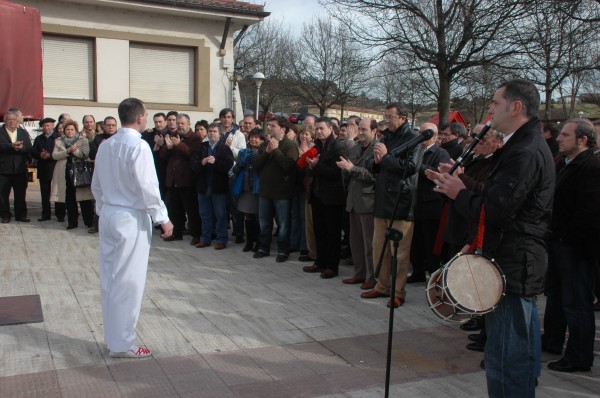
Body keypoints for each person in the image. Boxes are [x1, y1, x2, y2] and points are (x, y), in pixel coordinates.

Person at [433, 79, 554, 397]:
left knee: (506, 357)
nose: (489, 108)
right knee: (515, 351)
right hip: (513, 258)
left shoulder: (525, 151)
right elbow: (498, 196)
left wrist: (459, 193)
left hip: (514, 262)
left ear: (516, 107)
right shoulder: (519, 145)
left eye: (495, 103)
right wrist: (463, 185)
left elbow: (500, 209)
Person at [92, 97, 173, 358]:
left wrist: (103, 209)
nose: (147, 119)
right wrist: (163, 217)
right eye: (146, 115)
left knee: (110, 278)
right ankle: (123, 343)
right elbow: (148, 186)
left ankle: (115, 339)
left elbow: (97, 185)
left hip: (110, 214)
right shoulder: (138, 146)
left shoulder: (106, 146)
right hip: (130, 216)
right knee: (129, 280)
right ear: (139, 117)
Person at [542, 118, 600, 373]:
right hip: (559, 242)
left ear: (582, 140)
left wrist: (566, 238)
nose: (559, 139)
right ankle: (553, 341)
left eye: (565, 135)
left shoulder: (591, 167)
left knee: (577, 304)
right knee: (557, 297)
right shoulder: (566, 163)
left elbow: (588, 213)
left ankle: (579, 356)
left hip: (576, 249)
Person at [360, 104, 423, 308]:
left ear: (403, 118)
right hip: (382, 201)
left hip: (401, 202)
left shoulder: (414, 139)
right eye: (385, 116)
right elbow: (371, 163)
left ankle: (398, 291)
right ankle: (382, 285)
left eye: (390, 116)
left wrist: (385, 157)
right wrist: (378, 161)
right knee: (379, 247)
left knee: (400, 252)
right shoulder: (386, 136)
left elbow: (411, 168)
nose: (386, 120)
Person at [302, 117, 348, 279]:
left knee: (333, 233)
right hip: (317, 194)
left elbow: (336, 173)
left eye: (321, 128)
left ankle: (332, 266)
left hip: (333, 196)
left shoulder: (338, 146)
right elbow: (313, 171)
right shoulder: (317, 146)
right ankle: (320, 262)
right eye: (317, 128)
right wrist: (310, 165)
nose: (319, 131)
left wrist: (316, 166)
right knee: (319, 230)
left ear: (331, 129)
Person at [407, 123, 450, 283]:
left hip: (431, 204)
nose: (420, 136)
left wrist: (418, 166)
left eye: (424, 133)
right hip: (414, 202)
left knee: (430, 243)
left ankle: (433, 276)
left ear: (434, 135)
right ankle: (417, 271)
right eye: (420, 132)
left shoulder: (441, 152)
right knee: (415, 242)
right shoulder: (416, 150)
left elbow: (439, 175)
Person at [252, 116, 299, 262]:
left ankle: (283, 251)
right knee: (264, 222)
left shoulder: (290, 145)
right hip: (265, 191)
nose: (269, 128)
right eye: (269, 126)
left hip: (282, 193)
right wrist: (267, 151)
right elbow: (256, 165)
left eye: (273, 126)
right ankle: (263, 247)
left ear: (283, 129)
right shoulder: (264, 144)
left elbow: (288, 165)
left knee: (283, 224)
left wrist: (276, 151)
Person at [337, 118, 377, 288]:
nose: (360, 133)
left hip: (368, 202)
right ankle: (359, 274)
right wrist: (346, 170)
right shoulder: (355, 148)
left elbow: (374, 176)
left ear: (374, 131)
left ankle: (371, 277)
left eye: (364, 130)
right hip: (353, 200)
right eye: (359, 129)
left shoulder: (379, 149)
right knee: (355, 242)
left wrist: (351, 168)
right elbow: (348, 172)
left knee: (369, 244)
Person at [160, 114, 202, 244]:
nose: (179, 125)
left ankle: (196, 234)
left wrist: (179, 145)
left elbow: (193, 154)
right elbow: (163, 156)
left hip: (187, 180)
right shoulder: (172, 135)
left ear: (189, 124)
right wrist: (168, 147)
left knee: (191, 210)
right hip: (173, 180)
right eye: (178, 123)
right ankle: (176, 232)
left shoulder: (195, 138)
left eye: (182, 123)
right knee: (174, 209)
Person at [191, 123, 234, 249]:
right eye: (210, 131)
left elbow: (228, 165)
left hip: (218, 188)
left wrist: (216, 162)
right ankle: (205, 238)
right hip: (203, 187)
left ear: (220, 134)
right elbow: (193, 164)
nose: (212, 133)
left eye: (214, 131)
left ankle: (221, 239)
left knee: (220, 215)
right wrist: (202, 162)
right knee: (204, 214)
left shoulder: (224, 148)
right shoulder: (202, 147)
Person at [51, 120, 94, 230]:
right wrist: (67, 151)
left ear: (75, 130)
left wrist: (75, 151)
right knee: (69, 199)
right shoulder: (58, 140)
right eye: (67, 129)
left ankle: (88, 222)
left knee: (84, 199)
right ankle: (72, 222)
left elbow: (85, 154)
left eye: (72, 129)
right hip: (65, 172)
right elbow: (55, 155)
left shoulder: (83, 140)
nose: (69, 131)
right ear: (64, 130)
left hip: (79, 171)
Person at [231, 128, 264, 251]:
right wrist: (242, 162)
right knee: (248, 215)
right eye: (252, 137)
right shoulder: (243, 152)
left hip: (259, 189)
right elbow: (235, 170)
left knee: (259, 216)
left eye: (256, 137)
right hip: (246, 189)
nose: (253, 139)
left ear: (262, 140)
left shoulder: (264, 152)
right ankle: (249, 241)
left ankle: (259, 242)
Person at [0, 109, 32, 223]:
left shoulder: (23, 132)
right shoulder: (0, 131)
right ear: (5, 121)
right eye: (9, 120)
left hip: (19, 169)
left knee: (20, 194)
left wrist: (22, 148)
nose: (12, 122)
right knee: (3, 195)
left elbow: (29, 147)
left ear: (17, 121)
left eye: (14, 119)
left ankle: (21, 215)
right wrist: (11, 146)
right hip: (3, 169)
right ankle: (5, 215)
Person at [31, 117, 57, 221]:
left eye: (48, 125)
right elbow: (33, 152)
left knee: (57, 191)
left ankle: (60, 214)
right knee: (45, 193)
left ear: (52, 126)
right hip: (43, 168)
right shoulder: (39, 139)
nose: (46, 128)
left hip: (55, 167)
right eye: (44, 126)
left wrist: (50, 155)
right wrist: (39, 155)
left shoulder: (58, 138)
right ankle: (46, 214)